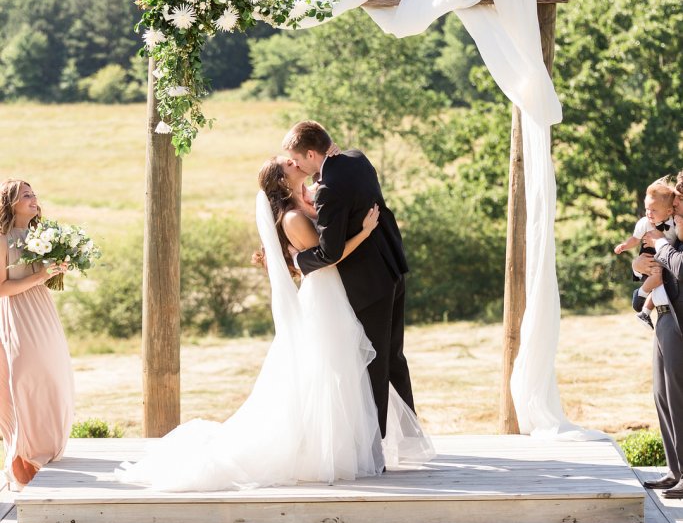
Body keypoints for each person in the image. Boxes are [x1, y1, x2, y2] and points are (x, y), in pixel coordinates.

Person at [118, 156, 433, 492]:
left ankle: (352, 445)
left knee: (340, 369)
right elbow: (330, 257)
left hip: (334, 295)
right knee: (332, 369)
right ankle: (332, 449)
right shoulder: (295, 218)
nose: (294, 162)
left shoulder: (306, 201)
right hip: (326, 295)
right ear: (283, 181)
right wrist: (366, 231)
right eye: (287, 164)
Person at [283, 120, 414, 442]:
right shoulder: (357, 159)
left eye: (297, 159)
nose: (295, 164)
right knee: (393, 357)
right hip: (393, 270)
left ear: (312, 153)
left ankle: (374, 446)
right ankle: (410, 438)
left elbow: (329, 253)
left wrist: (297, 261)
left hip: (367, 284)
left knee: (373, 361)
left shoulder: (329, 190)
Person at [0, 179, 74, 490]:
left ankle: (46, 446)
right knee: (25, 378)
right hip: (17, 313)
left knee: (57, 375)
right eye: (25, 195)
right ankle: (24, 454)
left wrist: (58, 270)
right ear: (10, 203)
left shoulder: (39, 234)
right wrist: (41, 275)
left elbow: (41, 278)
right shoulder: (3, 239)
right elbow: (1, 288)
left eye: (33, 194)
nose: (33, 198)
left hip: (43, 312)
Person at [633, 173, 683, 496]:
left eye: (678, 199)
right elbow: (651, 264)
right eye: (676, 198)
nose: (675, 203)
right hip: (663, 318)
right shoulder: (673, 232)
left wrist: (662, 245)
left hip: (679, 322)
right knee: (662, 395)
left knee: (679, 395)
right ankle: (674, 469)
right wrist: (638, 267)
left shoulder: (673, 237)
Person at [615, 181, 678, 329]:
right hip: (650, 256)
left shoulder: (674, 222)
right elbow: (635, 239)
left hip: (666, 256)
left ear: (669, 211)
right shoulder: (645, 223)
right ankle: (641, 294)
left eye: (654, 210)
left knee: (661, 281)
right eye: (647, 209)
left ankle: (645, 312)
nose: (649, 213)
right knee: (658, 277)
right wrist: (625, 246)